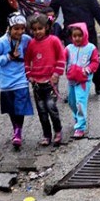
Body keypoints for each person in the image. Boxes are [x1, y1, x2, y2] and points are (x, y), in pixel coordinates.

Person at [50, 0, 100, 96]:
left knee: (92, 58)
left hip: (87, 31)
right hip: (69, 33)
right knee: (71, 61)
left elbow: (96, 9)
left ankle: (98, 83)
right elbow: (52, 11)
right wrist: (46, 24)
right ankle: (73, 88)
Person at [0, 13, 33, 149]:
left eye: (22, 28)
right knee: (12, 109)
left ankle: (18, 132)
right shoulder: (1, 42)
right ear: (10, 28)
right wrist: (8, 57)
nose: (19, 32)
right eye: (16, 29)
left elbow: (34, 51)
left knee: (20, 108)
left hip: (21, 80)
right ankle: (16, 129)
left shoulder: (26, 40)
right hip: (6, 82)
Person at [24, 14, 66, 147]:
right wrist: (29, 74)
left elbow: (61, 57)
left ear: (46, 27)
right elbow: (27, 60)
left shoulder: (54, 40)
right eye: (34, 29)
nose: (37, 32)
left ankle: (58, 131)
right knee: (41, 110)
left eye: (40, 28)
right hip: (36, 83)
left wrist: (56, 74)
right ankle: (46, 134)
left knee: (51, 107)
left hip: (50, 81)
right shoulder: (31, 43)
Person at [64, 23, 100, 139]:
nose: (77, 38)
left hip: (84, 81)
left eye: (80, 35)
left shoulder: (91, 48)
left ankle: (80, 127)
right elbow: (61, 59)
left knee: (80, 102)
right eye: (75, 36)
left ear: (84, 35)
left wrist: (88, 70)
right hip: (71, 80)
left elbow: (95, 62)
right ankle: (78, 117)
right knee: (72, 101)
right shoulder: (69, 48)